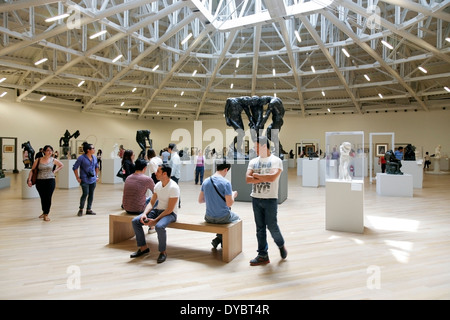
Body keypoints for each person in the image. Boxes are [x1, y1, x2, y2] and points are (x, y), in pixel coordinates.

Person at [246, 136, 287, 266]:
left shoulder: (276, 160)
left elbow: (272, 177)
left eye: (256, 146)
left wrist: (256, 176)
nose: (254, 149)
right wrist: (264, 177)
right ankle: (263, 255)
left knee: (272, 227)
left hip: (270, 200)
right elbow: (247, 179)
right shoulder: (253, 161)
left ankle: (281, 245)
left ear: (264, 146)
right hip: (256, 198)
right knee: (260, 228)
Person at [130, 164, 180, 263]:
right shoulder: (158, 185)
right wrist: (144, 213)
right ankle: (143, 248)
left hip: (170, 214)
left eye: (158, 171)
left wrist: (155, 221)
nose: (155, 173)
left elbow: (170, 209)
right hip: (157, 211)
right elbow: (152, 202)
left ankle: (163, 252)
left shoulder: (174, 187)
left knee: (159, 227)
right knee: (135, 221)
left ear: (165, 174)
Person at [198, 159, 239, 249]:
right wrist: (233, 195)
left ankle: (219, 239)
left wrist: (211, 197)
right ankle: (221, 239)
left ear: (216, 167)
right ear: (226, 170)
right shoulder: (226, 183)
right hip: (223, 217)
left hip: (208, 217)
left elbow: (200, 200)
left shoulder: (206, 181)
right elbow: (229, 203)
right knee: (237, 219)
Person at [27, 145, 64, 221]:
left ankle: (46, 213)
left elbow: (61, 165)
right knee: (43, 197)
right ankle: (44, 211)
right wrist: (29, 180)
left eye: (51, 150)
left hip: (50, 180)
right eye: (48, 150)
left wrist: (54, 171)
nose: (50, 152)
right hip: (40, 181)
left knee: (48, 197)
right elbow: (32, 170)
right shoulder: (38, 160)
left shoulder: (53, 160)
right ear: (44, 151)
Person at [73, 143, 99, 216]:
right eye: (93, 148)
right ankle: (81, 209)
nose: (94, 149)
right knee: (85, 193)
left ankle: (89, 209)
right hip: (84, 179)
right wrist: (77, 177)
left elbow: (97, 167)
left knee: (91, 194)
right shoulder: (81, 158)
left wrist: (96, 176)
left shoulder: (94, 157)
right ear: (88, 150)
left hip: (93, 179)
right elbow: (75, 167)